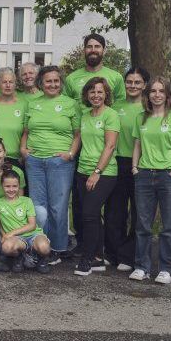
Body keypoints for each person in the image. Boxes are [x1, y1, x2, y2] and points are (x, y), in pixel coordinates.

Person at [129, 76, 171, 284]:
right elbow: (137, 144)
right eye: (153, 91)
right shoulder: (141, 118)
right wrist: (135, 167)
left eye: (161, 91)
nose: (156, 95)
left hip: (168, 175)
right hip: (144, 174)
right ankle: (141, 266)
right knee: (142, 224)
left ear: (167, 95)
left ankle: (167, 269)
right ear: (148, 95)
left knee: (170, 225)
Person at [20, 65, 80, 263]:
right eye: (48, 81)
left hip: (59, 162)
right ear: (41, 83)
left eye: (56, 81)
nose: (52, 84)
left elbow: (78, 134)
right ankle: (40, 246)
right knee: (38, 208)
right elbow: (26, 131)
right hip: (35, 161)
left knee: (58, 207)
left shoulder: (71, 104)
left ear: (60, 83)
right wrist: (23, 150)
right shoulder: (33, 104)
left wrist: (70, 154)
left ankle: (58, 248)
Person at [72, 77, 120, 276]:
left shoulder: (111, 115)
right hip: (82, 169)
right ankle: (99, 257)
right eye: (92, 92)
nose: (96, 95)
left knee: (90, 215)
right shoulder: (84, 115)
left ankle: (87, 259)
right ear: (87, 95)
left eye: (100, 92)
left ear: (106, 94)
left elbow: (110, 146)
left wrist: (97, 172)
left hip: (104, 173)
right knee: (90, 215)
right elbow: (79, 140)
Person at [105, 66, 149, 271]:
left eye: (137, 82)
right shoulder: (115, 107)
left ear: (144, 85)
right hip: (117, 162)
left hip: (141, 165)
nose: (132, 85)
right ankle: (112, 253)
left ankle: (128, 256)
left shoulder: (150, 108)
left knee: (139, 212)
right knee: (115, 211)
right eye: (129, 82)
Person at [0, 170, 51, 273]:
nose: (11, 189)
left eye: (14, 186)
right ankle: (20, 256)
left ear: (19, 186)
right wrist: (4, 234)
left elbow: (32, 225)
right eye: (7, 186)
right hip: (16, 239)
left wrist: (10, 233)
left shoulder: (27, 201)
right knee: (7, 247)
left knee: (44, 247)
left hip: (33, 235)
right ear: (2, 186)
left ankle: (40, 257)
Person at [63, 34, 126, 105]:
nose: (93, 50)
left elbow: (121, 106)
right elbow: (66, 107)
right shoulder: (71, 79)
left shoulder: (116, 77)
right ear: (84, 50)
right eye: (89, 47)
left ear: (104, 50)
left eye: (97, 46)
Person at [0, 68, 29, 168]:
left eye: (11, 82)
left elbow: (27, 132)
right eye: (4, 82)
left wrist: (23, 152)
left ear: (15, 84)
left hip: (16, 158)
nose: (8, 85)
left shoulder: (24, 105)